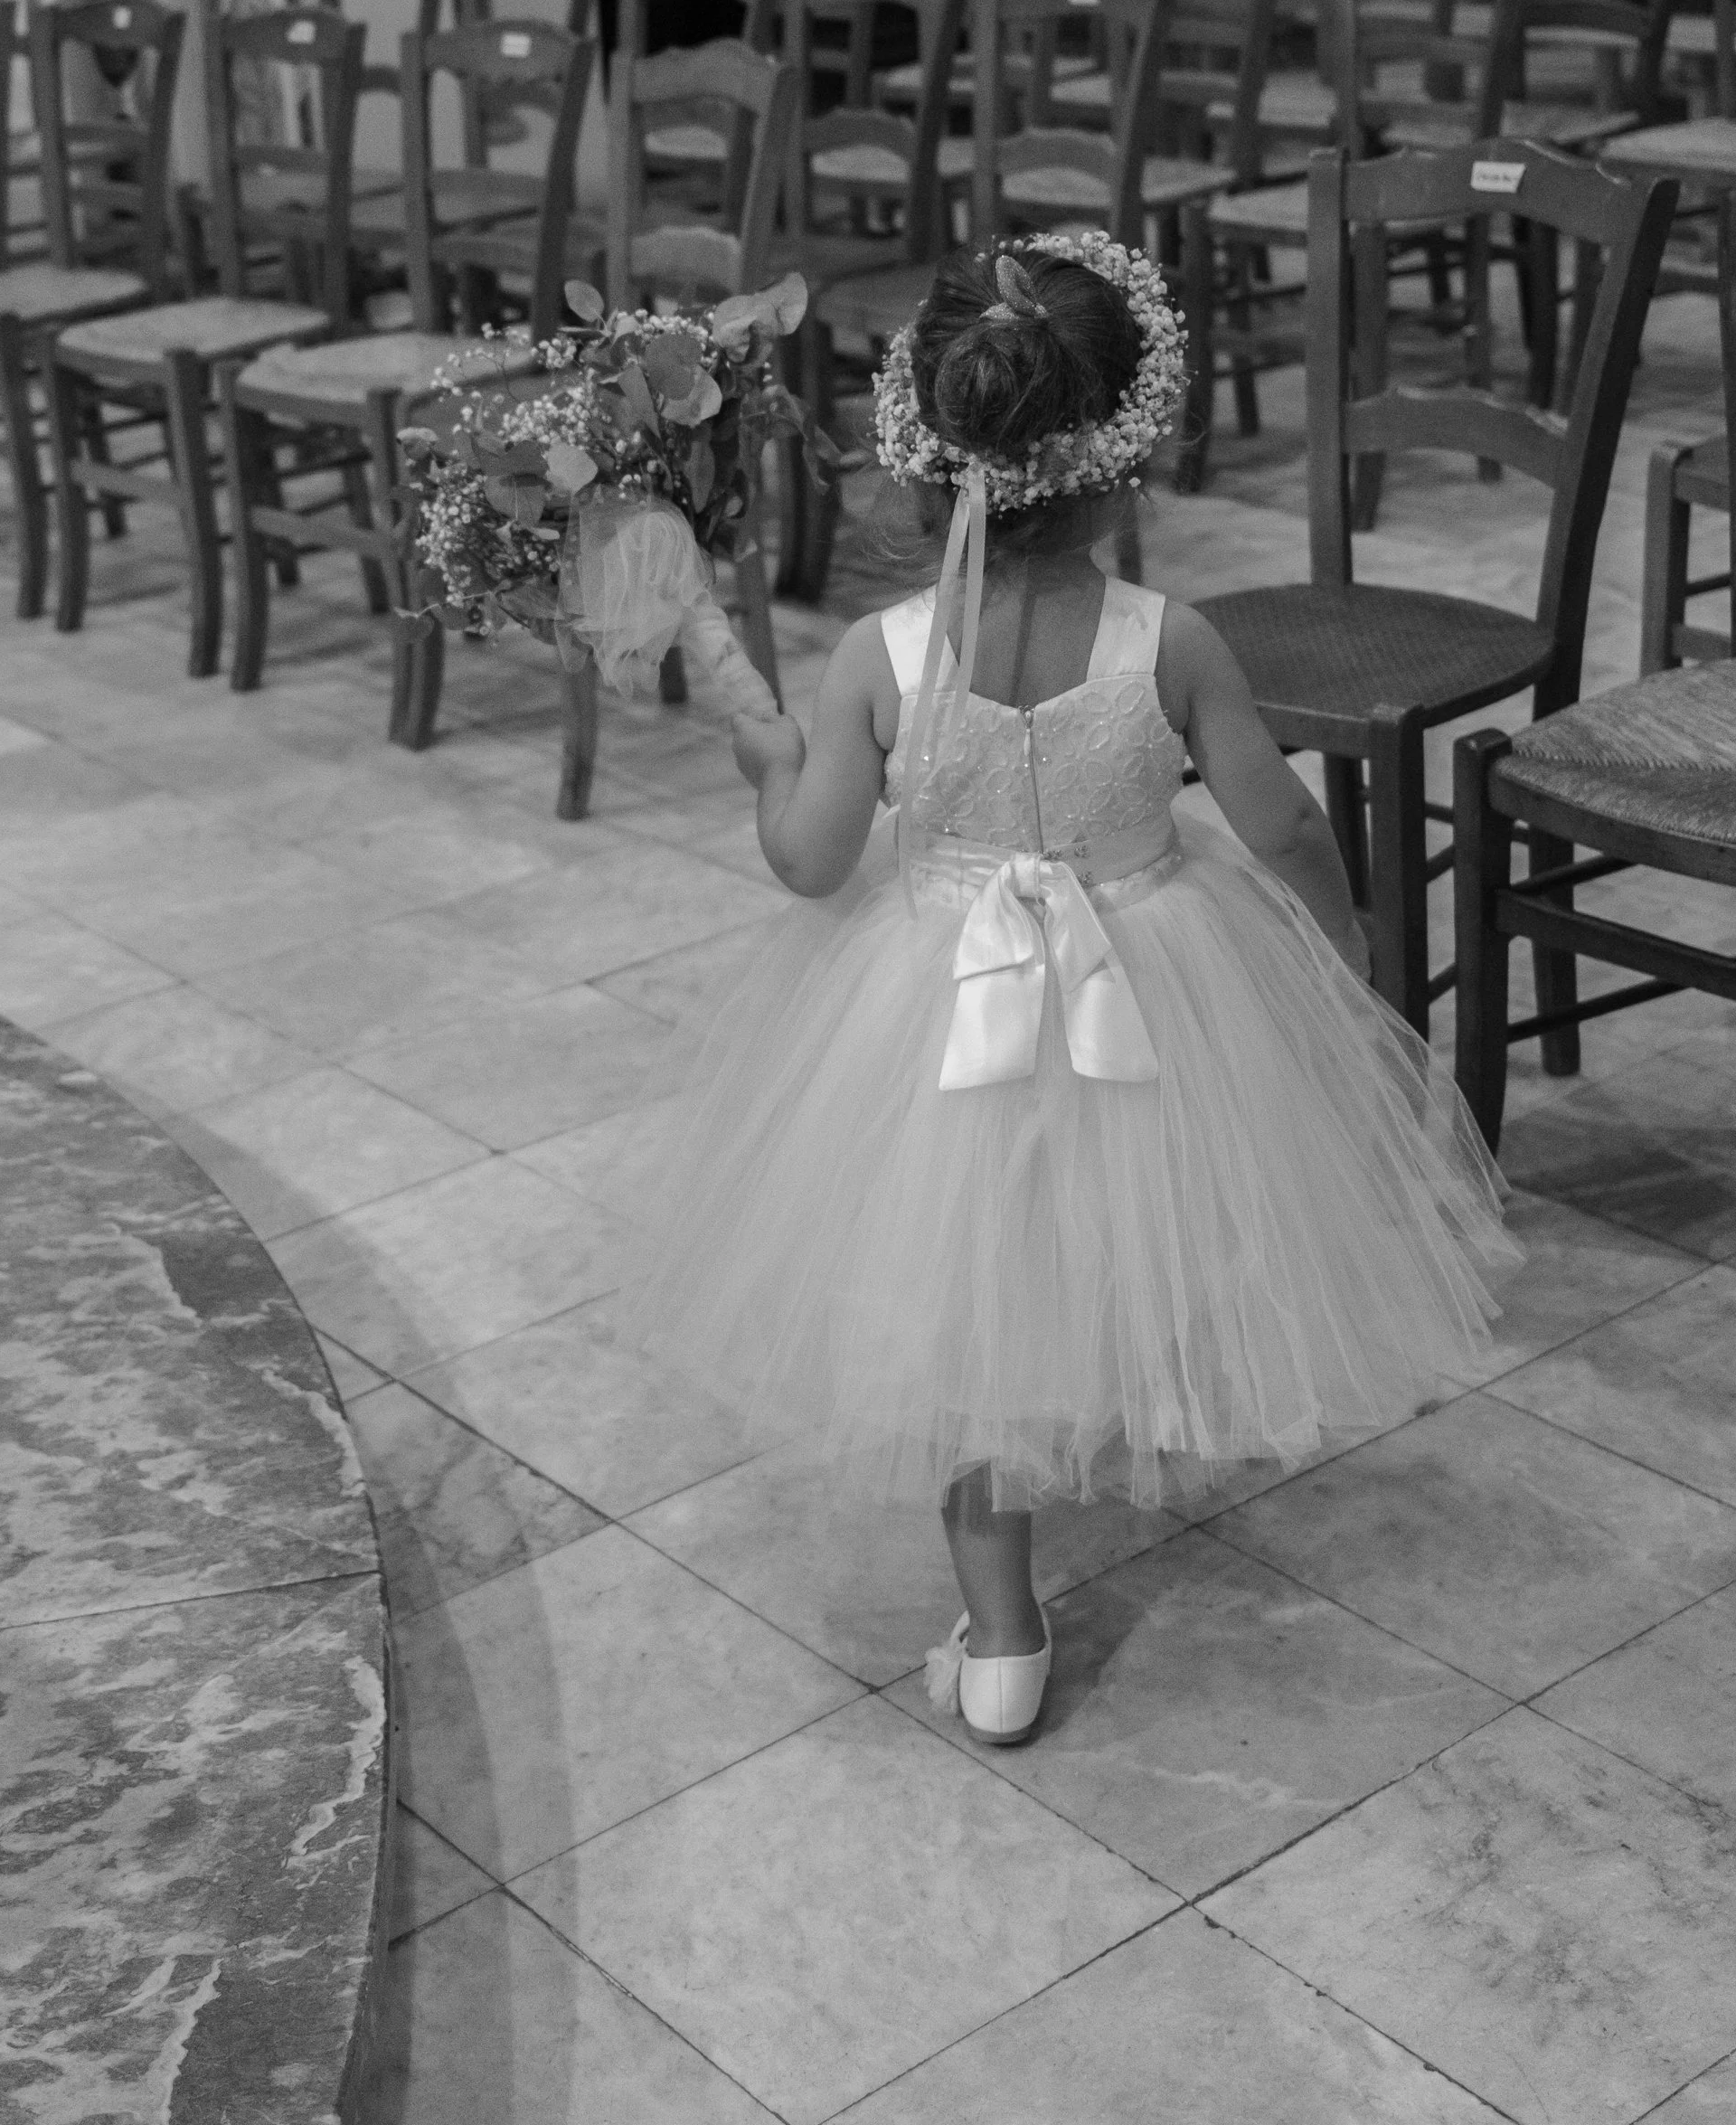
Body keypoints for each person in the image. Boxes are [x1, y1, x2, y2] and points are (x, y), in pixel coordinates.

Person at [619, 231, 1518, 1749]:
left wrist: (771, 762)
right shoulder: (1175, 641)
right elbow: (1282, 825)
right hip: (1151, 975)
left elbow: (817, 862)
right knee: (1136, 1222)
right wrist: (1337, 960)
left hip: (935, 1005)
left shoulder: (879, 657)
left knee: (961, 1295)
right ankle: (1107, 1402)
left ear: (921, 458)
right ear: (1128, 458)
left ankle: (1003, 1636)